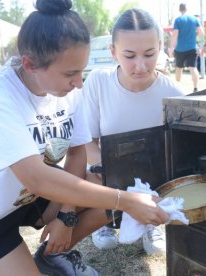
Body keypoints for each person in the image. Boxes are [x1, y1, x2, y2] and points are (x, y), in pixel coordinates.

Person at [0, 0, 169, 275]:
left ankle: (53, 256)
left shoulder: (69, 90)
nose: (79, 84)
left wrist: (66, 216)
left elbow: (76, 152)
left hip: (33, 198)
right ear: (30, 64)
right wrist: (126, 201)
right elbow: (36, 176)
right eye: (71, 74)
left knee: (110, 179)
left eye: (81, 71)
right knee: (118, 194)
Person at [82, 8, 185, 255]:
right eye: (129, 55)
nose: (140, 66)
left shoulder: (173, 93)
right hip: (108, 177)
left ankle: (152, 223)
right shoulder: (98, 82)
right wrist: (101, 169)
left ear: (160, 47)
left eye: (149, 54)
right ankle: (104, 219)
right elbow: (86, 141)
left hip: (153, 177)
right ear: (113, 52)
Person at [169, 3, 203, 93]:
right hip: (192, 47)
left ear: (180, 10)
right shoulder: (194, 19)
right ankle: (195, 88)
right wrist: (194, 37)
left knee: (179, 68)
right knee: (193, 67)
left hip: (180, 49)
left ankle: (177, 88)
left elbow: (175, 34)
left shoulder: (178, 20)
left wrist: (171, 48)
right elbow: (201, 32)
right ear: (187, 9)